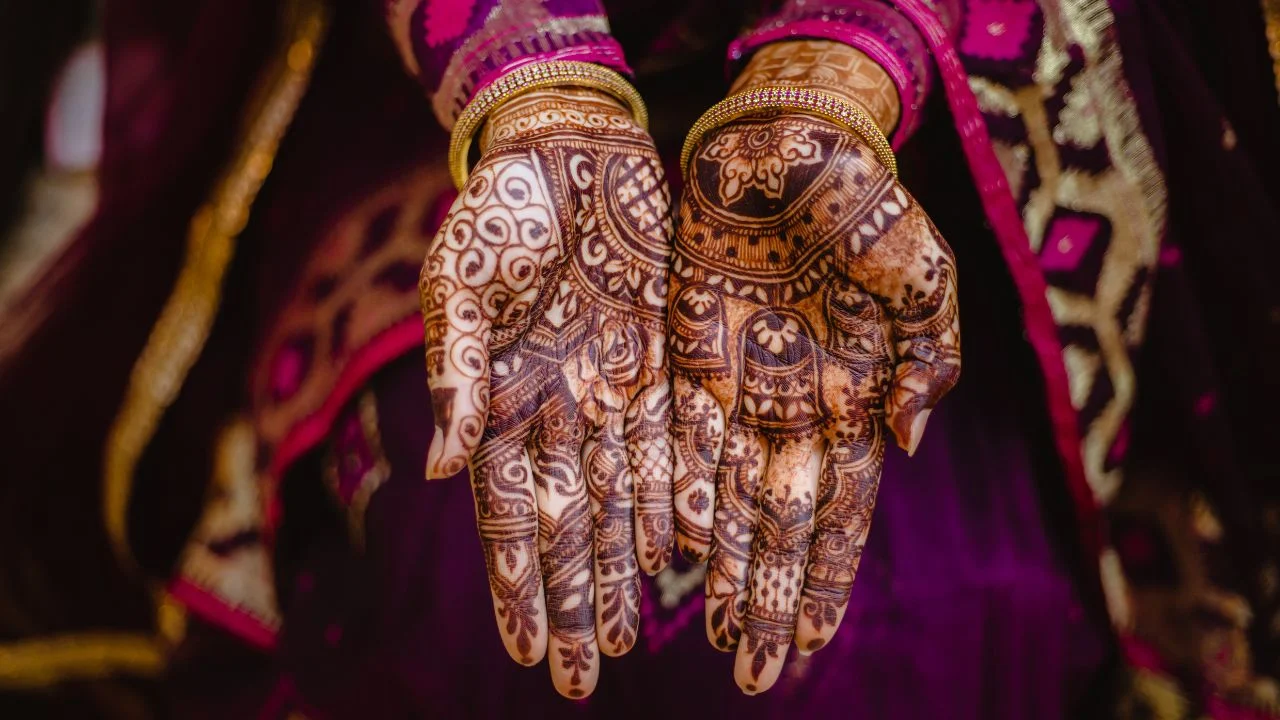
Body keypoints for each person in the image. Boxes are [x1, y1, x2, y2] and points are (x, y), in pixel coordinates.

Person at [1, 0, 1278, 717]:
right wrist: (536, 98)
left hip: (949, 98)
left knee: (930, 619)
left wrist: (837, 75)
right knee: (473, 587)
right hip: (448, 92)